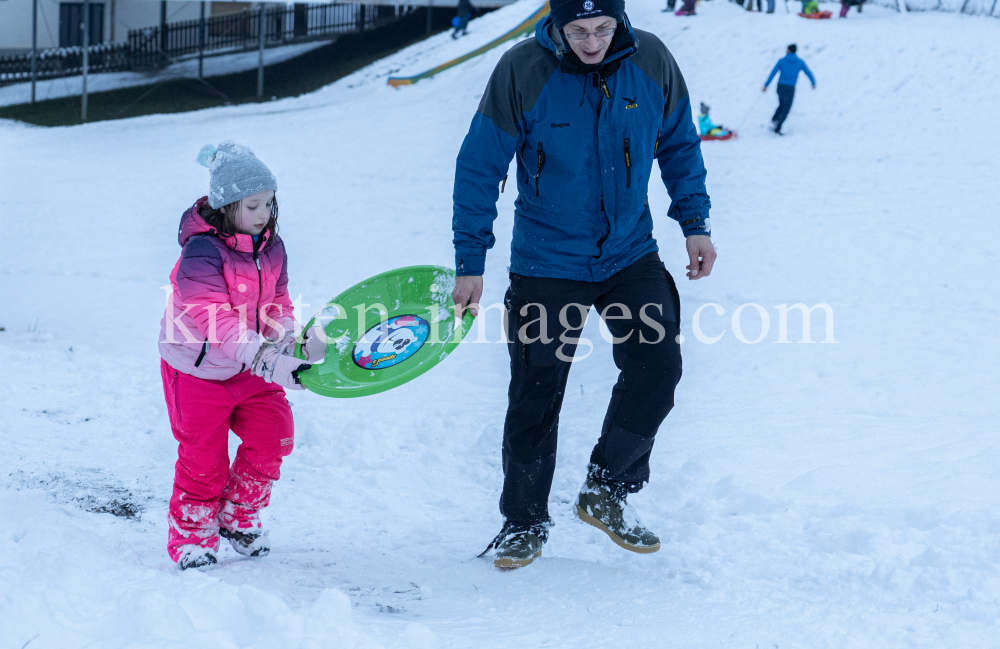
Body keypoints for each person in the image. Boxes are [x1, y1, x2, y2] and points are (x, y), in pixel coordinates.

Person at [451, 0, 715, 569]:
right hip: (547, 263)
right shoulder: (523, 70)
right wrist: (470, 259)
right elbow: (479, 166)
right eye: (577, 30)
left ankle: (607, 487)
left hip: (629, 253)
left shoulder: (653, 61)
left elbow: (678, 144)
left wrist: (694, 223)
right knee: (537, 392)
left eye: (603, 28)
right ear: (555, 25)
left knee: (658, 367)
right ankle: (523, 521)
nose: (592, 42)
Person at [158, 142, 326, 570]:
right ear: (227, 205)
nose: (263, 213)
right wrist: (267, 359)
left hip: (250, 365)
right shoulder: (200, 253)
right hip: (198, 372)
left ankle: (239, 515)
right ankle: (193, 536)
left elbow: (279, 306)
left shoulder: (272, 247)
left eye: (269, 203)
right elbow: (216, 321)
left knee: (275, 435)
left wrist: (291, 343)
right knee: (203, 459)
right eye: (253, 205)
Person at [762, 43, 816, 135]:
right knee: (786, 108)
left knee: (782, 104)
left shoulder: (781, 60)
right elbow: (808, 72)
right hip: (790, 88)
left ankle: (774, 120)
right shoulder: (800, 62)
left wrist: (766, 85)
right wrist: (813, 82)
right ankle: (777, 127)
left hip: (780, 86)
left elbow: (773, 72)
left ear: (789, 50)